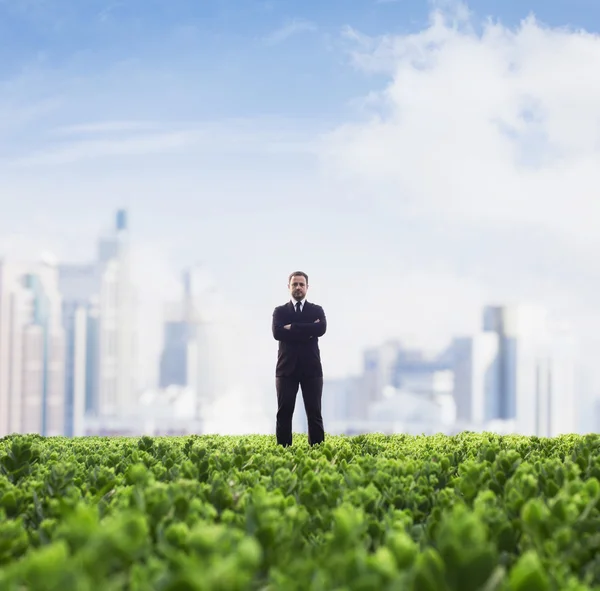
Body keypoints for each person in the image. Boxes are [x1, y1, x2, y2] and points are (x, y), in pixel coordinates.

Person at [271, 271, 327, 447]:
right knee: (284, 414)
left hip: (312, 370)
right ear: (289, 287)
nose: (298, 287)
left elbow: (321, 329)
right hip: (286, 370)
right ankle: (283, 452)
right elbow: (277, 333)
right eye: (294, 284)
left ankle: (317, 453)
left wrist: (292, 327)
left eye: (301, 284)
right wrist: (308, 330)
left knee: (314, 414)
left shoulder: (316, 310)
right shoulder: (279, 311)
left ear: (307, 288)